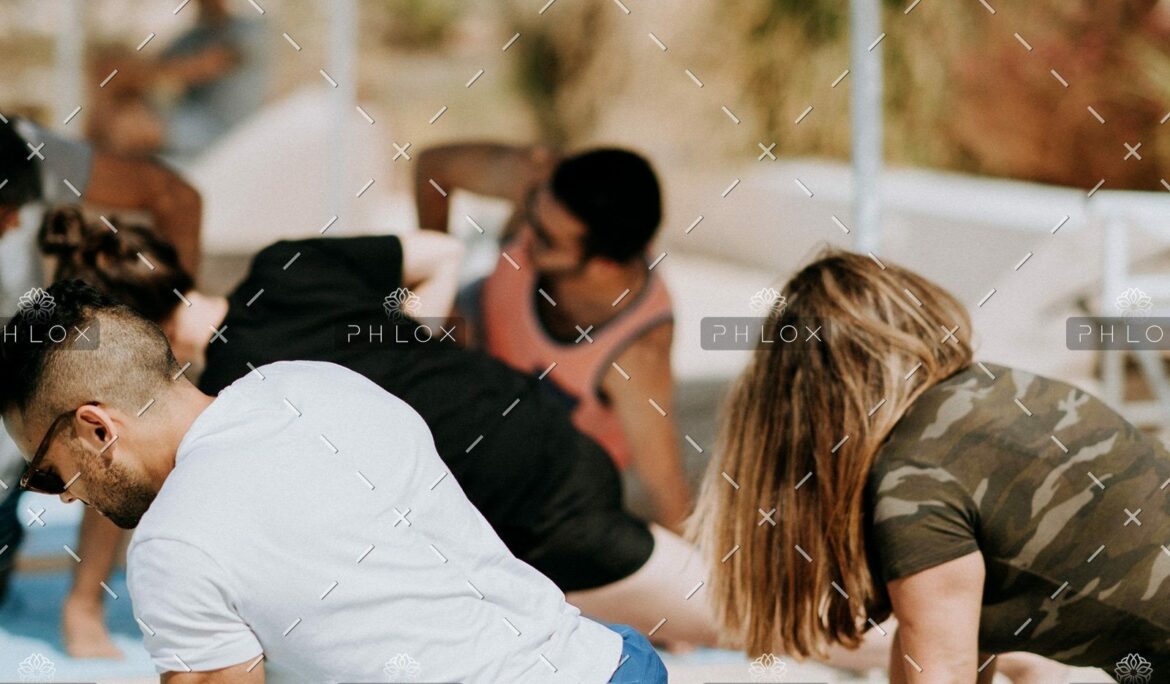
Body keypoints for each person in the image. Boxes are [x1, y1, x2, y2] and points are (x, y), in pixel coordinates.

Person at [31, 207, 724, 651]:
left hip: (531, 517)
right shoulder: (285, 266)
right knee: (701, 610)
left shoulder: (228, 406)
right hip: (544, 435)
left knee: (741, 619)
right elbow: (440, 254)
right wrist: (408, 346)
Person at [0, 281, 667, 683]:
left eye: (45, 472)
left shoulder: (174, 545)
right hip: (608, 660)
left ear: (96, 428)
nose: (62, 496)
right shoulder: (312, 382)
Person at [690, 248, 1168, 681]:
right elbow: (949, 638)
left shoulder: (912, 479)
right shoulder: (993, 392)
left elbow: (944, 670)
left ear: (803, 411)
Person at [0, 116, 202, 658]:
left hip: (36, 391)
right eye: (3, 213)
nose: (17, 223)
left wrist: (167, 325)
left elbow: (175, 196)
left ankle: (83, 603)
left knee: (106, 430)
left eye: (17, 205)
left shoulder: (26, 150)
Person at [416, 143, 692, 532]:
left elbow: (670, 498)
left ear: (603, 266)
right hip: (473, 356)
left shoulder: (637, 354)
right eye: (531, 211)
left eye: (546, 239)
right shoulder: (544, 184)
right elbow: (433, 168)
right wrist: (439, 269)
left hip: (543, 472)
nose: (526, 237)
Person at [88, 0, 268, 160]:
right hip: (187, 124)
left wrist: (134, 73)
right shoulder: (190, 38)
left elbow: (204, 66)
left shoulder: (251, 29)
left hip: (226, 132)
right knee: (117, 113)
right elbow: (155, 68)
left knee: (129, 125)